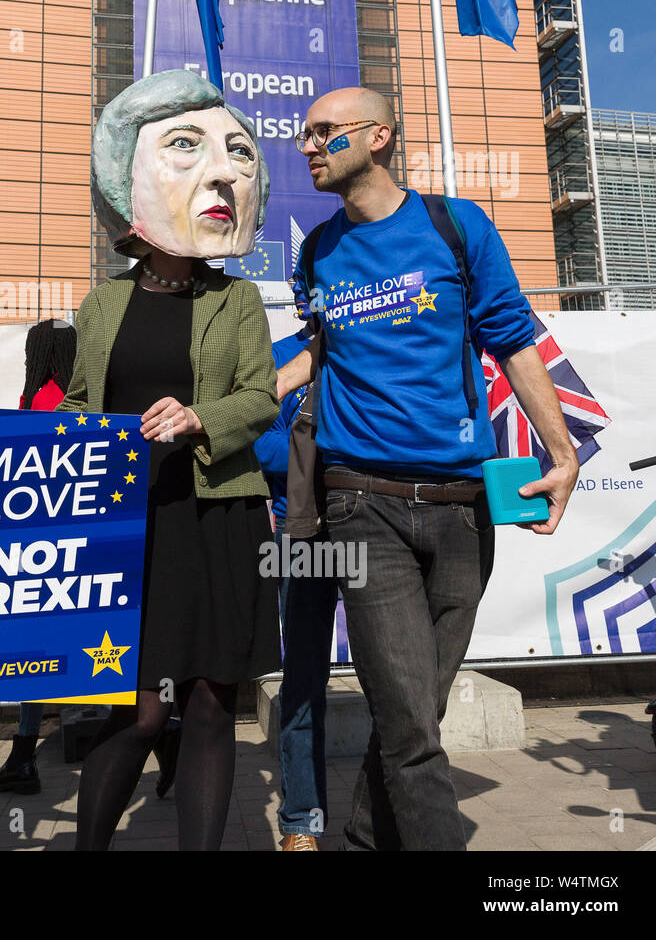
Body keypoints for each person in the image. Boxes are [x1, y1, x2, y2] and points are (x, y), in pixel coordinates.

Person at [279, 86, 580, 850]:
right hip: (359, 504)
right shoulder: (315, 252)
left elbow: (513, 338)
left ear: (378, 136)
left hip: (462, 508)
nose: (306, 145)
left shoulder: (456, 226)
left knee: (419, 707)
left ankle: (361, 835)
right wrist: (263, 382)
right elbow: (321, 349)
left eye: (323, 132)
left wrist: (563, 451)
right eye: (302, 133)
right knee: (412, 726)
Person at [66, 70, 280, 851]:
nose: (221, 175)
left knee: (214, 704)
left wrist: (199, 418)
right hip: (132, 526)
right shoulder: (99, 304)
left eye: (237, 154)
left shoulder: (241, 301)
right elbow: (80, 405)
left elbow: (260, 397)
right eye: (186, 149)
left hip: (218, 517)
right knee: (139, 708)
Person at [0, 319, 77, 796]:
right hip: (69, 544)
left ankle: (23, 759)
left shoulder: (42, 398)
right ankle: (165, 735)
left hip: (49, 548)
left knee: (37, 655)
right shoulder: (75, 393)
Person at [252, 326, 335, 851]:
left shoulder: (386, 340)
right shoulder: (278, 356)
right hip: (301, 536)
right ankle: (302, 821)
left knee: (398, 680)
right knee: (304, 680)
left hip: (381, 528)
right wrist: (335, 449)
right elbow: (259, 443)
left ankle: (394, 803)